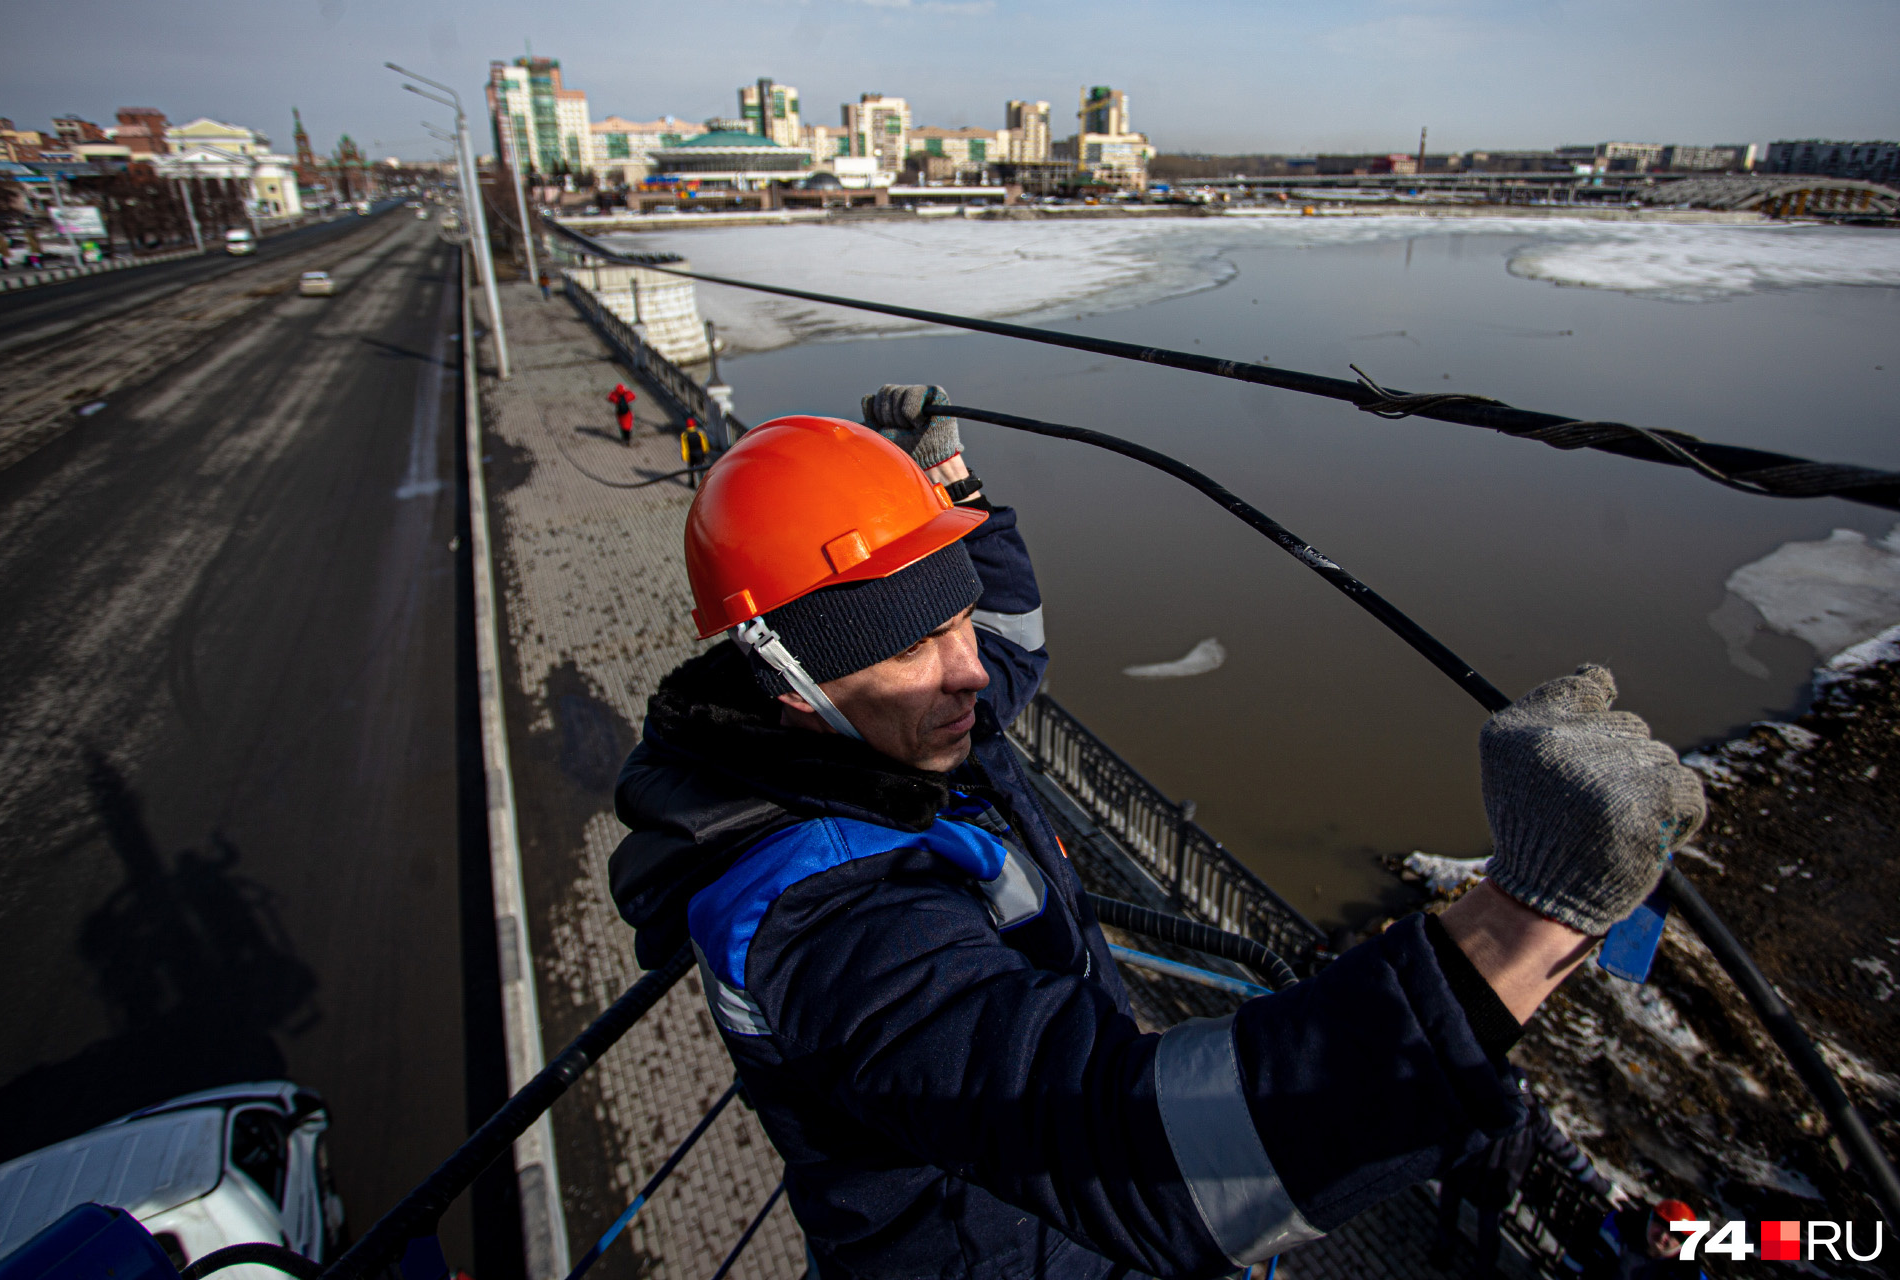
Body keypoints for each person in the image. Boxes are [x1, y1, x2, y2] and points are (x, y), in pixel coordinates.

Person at [608, 384, 1707, 1280]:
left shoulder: (889, 730)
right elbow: (1123, 1146)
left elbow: (1011, 642)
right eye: (916, 645)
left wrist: (950, 491)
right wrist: (1527, 915)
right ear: (790, 682)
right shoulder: (818, 922)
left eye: (955, 619)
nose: (972, 671)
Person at [1428, 1066, 1609, 1276]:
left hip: (1490, 1182)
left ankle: (1476, 1269)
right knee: (1456, 1212)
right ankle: (1446, 1251)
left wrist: (1601, 1186)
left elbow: (1566, 1152)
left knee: (1484, 1231)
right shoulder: (1520, 1110)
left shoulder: (1533, 1117)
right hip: (1474, 1172)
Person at [1588, 1199, 1706, 1279]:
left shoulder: (1689, 1273)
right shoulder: (1616, 1228)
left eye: (1674, 1234)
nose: (1663, 1236)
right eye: (1660, 1225)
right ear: (1650, 1219)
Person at [679, 416, 710, 488]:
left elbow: (684, 447)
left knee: (691, 469)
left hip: (691, 454)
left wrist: (684, 456)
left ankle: (692, 483)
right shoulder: (700, 433)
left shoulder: (684, 435)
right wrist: (705, 451)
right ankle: (702, 484)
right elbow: (704, 444)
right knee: (700, 468)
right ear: (694, 425)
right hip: (699, 453)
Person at [607, 381, 636, 446]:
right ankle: (628, 440)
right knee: (628, 427)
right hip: (627, 413)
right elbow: (633, 395)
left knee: (622, 427)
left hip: (620, 414)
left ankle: (624, 439)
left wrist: (615, 392)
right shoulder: (627, 397)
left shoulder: (615, 397)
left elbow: (609, 396)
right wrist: (627, 390)